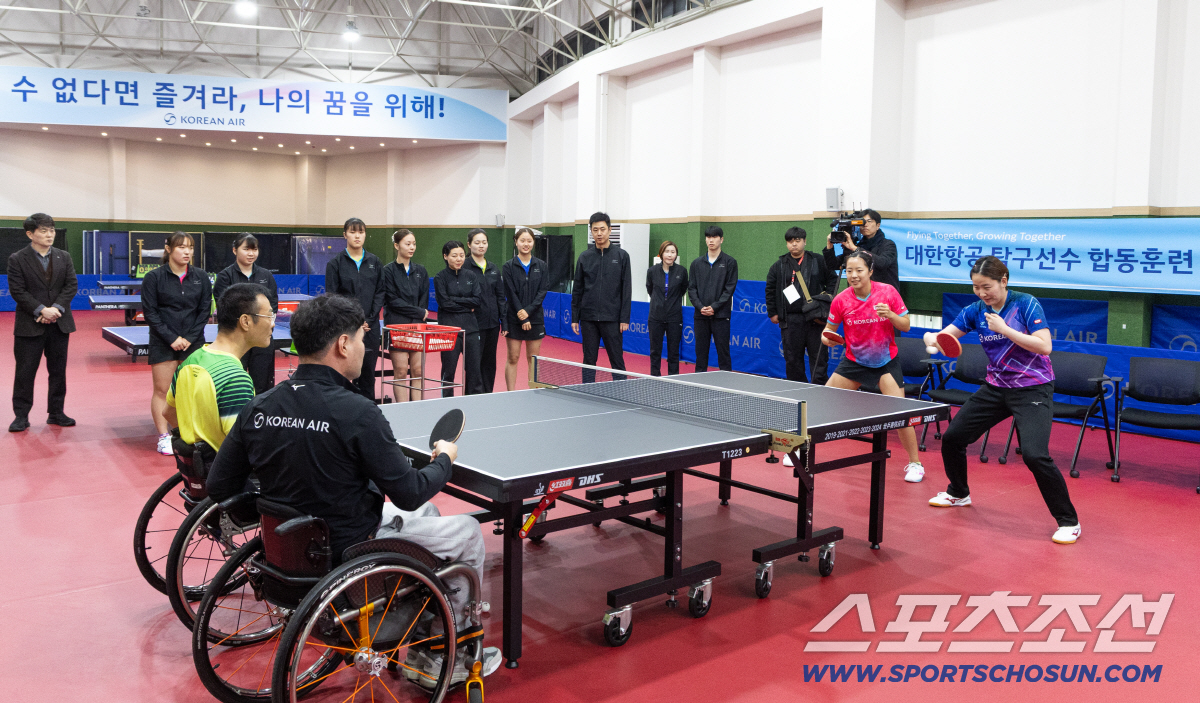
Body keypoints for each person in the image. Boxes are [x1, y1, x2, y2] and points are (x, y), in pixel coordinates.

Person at [205, 294, 500, 683]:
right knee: (465, 533)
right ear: (343, 345)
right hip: (351, 547)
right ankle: (453, 651)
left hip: (291, 549)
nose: (365, 348)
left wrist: (281, 498)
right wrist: (444, 458)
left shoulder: (260, 406)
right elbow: (410, 491)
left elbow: (219, 485)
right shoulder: (358, 412)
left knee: (424, 517)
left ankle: (430, 624)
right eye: (362, 340)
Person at [924, 256, 1081, 544]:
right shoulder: (974, 310)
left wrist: (1005, 330)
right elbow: (948, 335)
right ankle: (959, 493)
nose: (982, 293)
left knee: (1035, 455)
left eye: (987, 287)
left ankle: (1069, 521)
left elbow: (1045, 346)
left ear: (1004, 281)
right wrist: (932, 337)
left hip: (1033, 388)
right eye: (975, 287)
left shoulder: (1025, 303)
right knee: (953, 438)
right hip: (996, 388)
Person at [821, 250, 925, 482]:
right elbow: (828, 331)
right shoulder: (841, 300)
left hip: (885, 362)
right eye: (849, 271)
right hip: (854, 361)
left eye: (859, 270)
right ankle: (802, 450)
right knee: (821, 402)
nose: (854, 275)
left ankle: (915, 463)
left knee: (901, 412)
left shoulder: (887, 292)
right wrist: (826, 338)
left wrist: (890, 315)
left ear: (870, 271)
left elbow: (906, 326)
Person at [165, 284, 273, 453]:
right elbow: (243, 449)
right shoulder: (235, 378)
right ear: (245, 321)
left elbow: (168, 412)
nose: (272, 324)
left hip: (202, 473)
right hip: (226, 477)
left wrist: (200, 448)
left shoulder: (191, 360)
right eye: (269, 316)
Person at [142, 232, 212, 455]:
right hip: (164, 341)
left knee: (193, 390)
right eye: (182, 247)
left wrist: (189, 338)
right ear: (169, 249)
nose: (187, 252)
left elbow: (204, 312)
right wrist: (171, 338)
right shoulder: (154, 278)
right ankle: (164, 436)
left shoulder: (201, 277)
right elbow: (151, 313)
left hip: (193, 341)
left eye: (190, 247)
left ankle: (191, 432)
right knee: (162, 390)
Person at [8, 213, 77, 432]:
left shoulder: (63, 256)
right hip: (30, 325)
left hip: (59, 323)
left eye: (52, 230)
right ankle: (21, 416)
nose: (50, 235)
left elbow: (71, 285)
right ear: (30, 234)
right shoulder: (17, 259)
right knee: (25, 372)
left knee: (58, 371)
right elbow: (18, 291)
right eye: (44, 231)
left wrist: (56, 309)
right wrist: (41, 310)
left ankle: (56, 413)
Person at [766, 227, 837, 384]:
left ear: (804, 241)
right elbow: (770, 289)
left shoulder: (817, 260)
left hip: (815, 319)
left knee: (819, 358)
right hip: (791, 320)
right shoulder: (778, 266)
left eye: (797, 241)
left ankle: (819, 388)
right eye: (790, 242)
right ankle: (797, 388)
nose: (794, 245)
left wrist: (827, 299)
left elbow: (833, 279)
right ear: (786, 244)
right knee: (792, 359)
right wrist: (773, 312)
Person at [325, 217, 385, 402]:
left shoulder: (375, 262)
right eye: (353, 232)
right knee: (343, 374)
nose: (357, 236)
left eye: (361, 232)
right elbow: (333, 297)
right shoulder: (335, 264)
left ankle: (369, 414)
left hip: (371, 328)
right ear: (345, 235)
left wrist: (370, 320)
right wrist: (353, 322)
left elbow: (380, 293)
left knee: (367, 375)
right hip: (346, 329)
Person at [213, 233, 278, 394]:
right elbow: (224, 308)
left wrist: (263, 327)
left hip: (261, 340)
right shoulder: (225, 276)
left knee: (262, 385)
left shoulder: (266, 275)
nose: (251, 253)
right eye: (246, 249)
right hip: (235, 339)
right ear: (235, 250)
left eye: (254, 249)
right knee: (234, 386)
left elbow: (273, 304)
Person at [571, 212, 632, 381]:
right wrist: (575, 317)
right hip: (589, 318)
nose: (599, 233)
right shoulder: (584, 257)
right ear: (591, 231)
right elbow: (578, 289)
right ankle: (587, 392)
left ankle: (621, 393)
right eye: (595, 229)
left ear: (610, 230)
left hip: (612, 318)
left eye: (602, 229)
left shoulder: (622, 256)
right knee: (589, 360)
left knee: (617, 361)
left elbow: (626, 289)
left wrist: (624, 318)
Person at [381, 229, 429, 402]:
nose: (412, 247)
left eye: (414, 244)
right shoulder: (387, 271)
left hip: (417, 327)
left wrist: (419, 314)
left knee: (417, 371)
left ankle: (416, 406)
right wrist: (419, 312)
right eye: (407, 244)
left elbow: (423, 300)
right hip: (397, 326)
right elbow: (392, 301)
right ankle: (402, 407)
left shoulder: (421, 271)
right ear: (396, 245)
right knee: (400, 371)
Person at [434, 240, 483, 396]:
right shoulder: (440, 277)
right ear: (445, 256)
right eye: (454, 255)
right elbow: (444, 303)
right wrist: (467, 306)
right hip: (449, 329)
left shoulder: (471, 276)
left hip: (471, 328)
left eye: (461, 255)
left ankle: (473, 399)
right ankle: (448, 400)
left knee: (474, 369)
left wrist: (454, 299)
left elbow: (477, 300)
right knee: (449, 370)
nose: (458, 259)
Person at [503, 228, 549, 390]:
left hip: (535, 318)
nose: (526, 244)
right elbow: (511, 293)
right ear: (516, 242)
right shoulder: (508, 266)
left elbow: (542, 291)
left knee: (533, 358)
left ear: (533, 243)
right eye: (522, 240)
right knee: (513, 358)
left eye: (529, 241)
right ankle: (510, 393)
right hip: (514, 318)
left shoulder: (541, 266)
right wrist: (522, 315)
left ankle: (533, 394)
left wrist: (528, 312)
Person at [688, 225, 738, 372]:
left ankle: (726, 387)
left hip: (721, 316)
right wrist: (700, 306)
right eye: (708, 237)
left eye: (715, 237)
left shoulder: (730, 262)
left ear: (721, 239)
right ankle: (699, 387)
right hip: (700, 315)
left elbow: (729, 289)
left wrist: (714, 307)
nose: (711, 240)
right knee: (700, 355)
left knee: (723, 354)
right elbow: (692, 288)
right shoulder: (696, 264)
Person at [464, 229, 506, 393]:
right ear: (469, 244)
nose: (481, 246)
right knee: (474, 362)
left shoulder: (493, 268)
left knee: (489, 362)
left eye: (484, 242)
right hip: (473, 323)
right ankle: (472, 395)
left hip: (492, 324)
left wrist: (504, 321)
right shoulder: (465, 267)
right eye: (477, 242)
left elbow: (500, 296)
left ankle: (487, 394)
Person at [824, 208, 899, 292]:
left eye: (869, 221)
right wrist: (829, 247)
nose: (865, 224)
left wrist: (855, 248)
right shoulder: (859, 246)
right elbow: (832, 265)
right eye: (862, 222)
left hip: (884, 294)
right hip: (860, 295)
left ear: (878, 225)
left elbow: (882, 263)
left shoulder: (888, 245)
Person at [646, 240, 688, 376]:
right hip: (655, 316)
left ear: (676, 255)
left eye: (673, 252)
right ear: (661, 253)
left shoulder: (682, 271)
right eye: (667, 252)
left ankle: (673, 379)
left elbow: (682, 290)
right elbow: (650, 289)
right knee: (655, 351)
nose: (670, 255)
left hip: (674, 317)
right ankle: (654, 377)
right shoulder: (652, 271)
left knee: (674, 352)